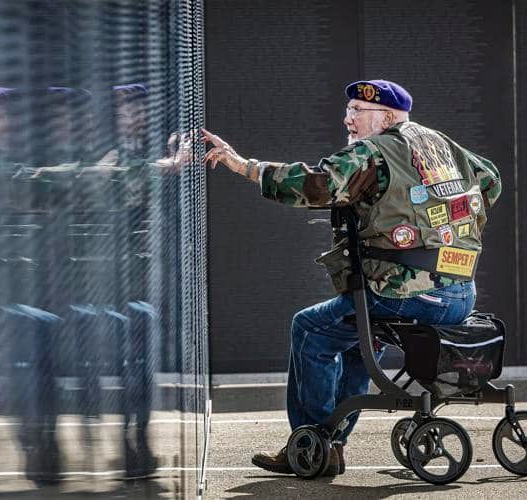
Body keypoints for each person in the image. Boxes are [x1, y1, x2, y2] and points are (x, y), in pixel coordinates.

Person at [202, 79, 501, 476]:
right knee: (361, 339)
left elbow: (318, 185)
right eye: (350, 111)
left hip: (401, 292)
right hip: (459, 293)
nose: (348, 119)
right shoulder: (441, 145)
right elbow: (491, 181)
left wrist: (244, 166)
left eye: (358, 111)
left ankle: (311, 442)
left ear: (387, 117)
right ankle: (333, 444)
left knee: (310, 328)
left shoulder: (373, 153)